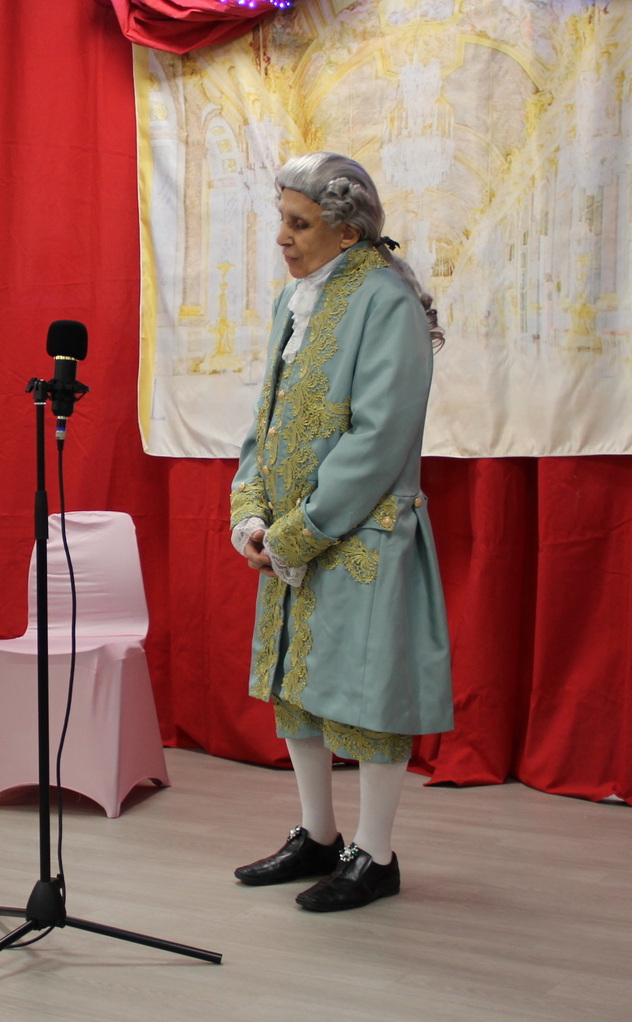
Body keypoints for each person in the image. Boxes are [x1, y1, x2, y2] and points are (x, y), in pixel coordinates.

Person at [229, 153, 453, 911]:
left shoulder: (387, 300)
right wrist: (253, 513)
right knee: (297, 688)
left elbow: (381, 436)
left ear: (347, 230)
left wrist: (301, 531)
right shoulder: (292, 300)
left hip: (362, 535)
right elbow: (265, 416)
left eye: (299, 224)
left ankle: (375, 854)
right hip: (290, 536)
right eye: (282, 221)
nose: (283, 238)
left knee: (368, 696)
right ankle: (318, 835)